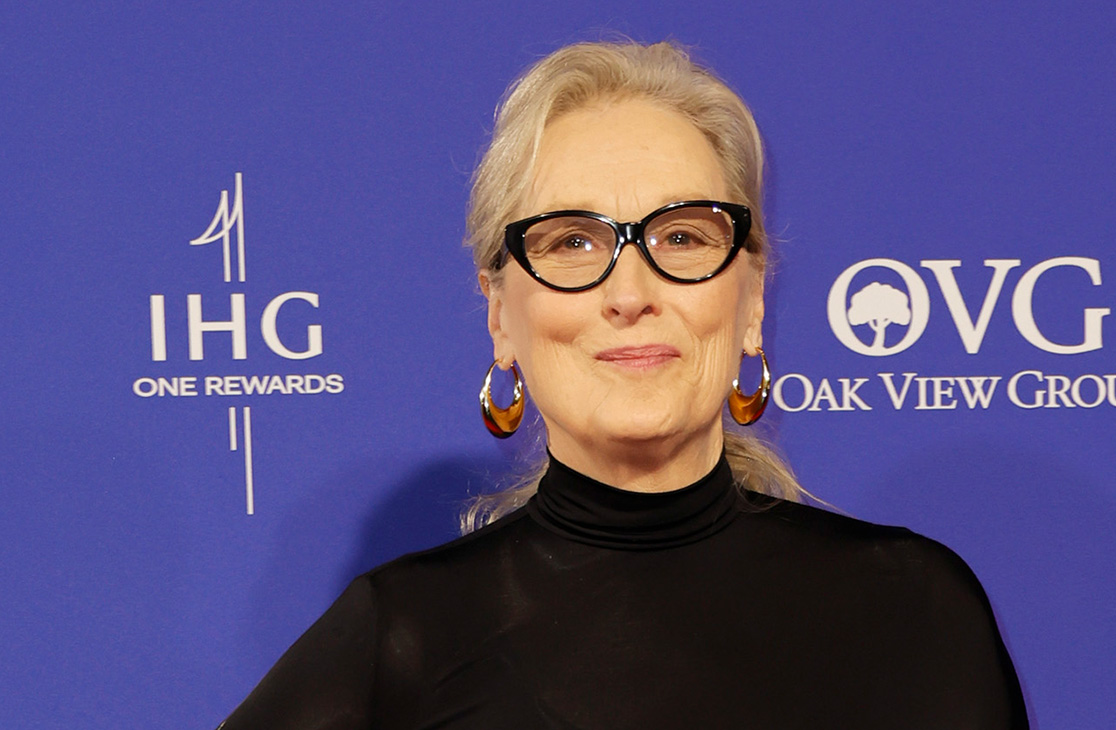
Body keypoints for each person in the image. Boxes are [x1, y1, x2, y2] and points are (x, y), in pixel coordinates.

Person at [219, 40, 1029, 729]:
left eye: (682, 237)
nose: (630, 292)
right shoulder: (404, 638)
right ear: (501, 316)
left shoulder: (914, 610)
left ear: (752, 302)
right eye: (572, 242)